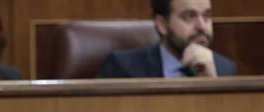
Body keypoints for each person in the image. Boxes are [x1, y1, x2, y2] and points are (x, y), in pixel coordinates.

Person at [99, 0, 237, 78]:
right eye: (189, 16)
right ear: (162, 25)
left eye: (206, 16)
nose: (202, 26)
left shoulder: (225, 69)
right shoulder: (122, 68)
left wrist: (213, 85)